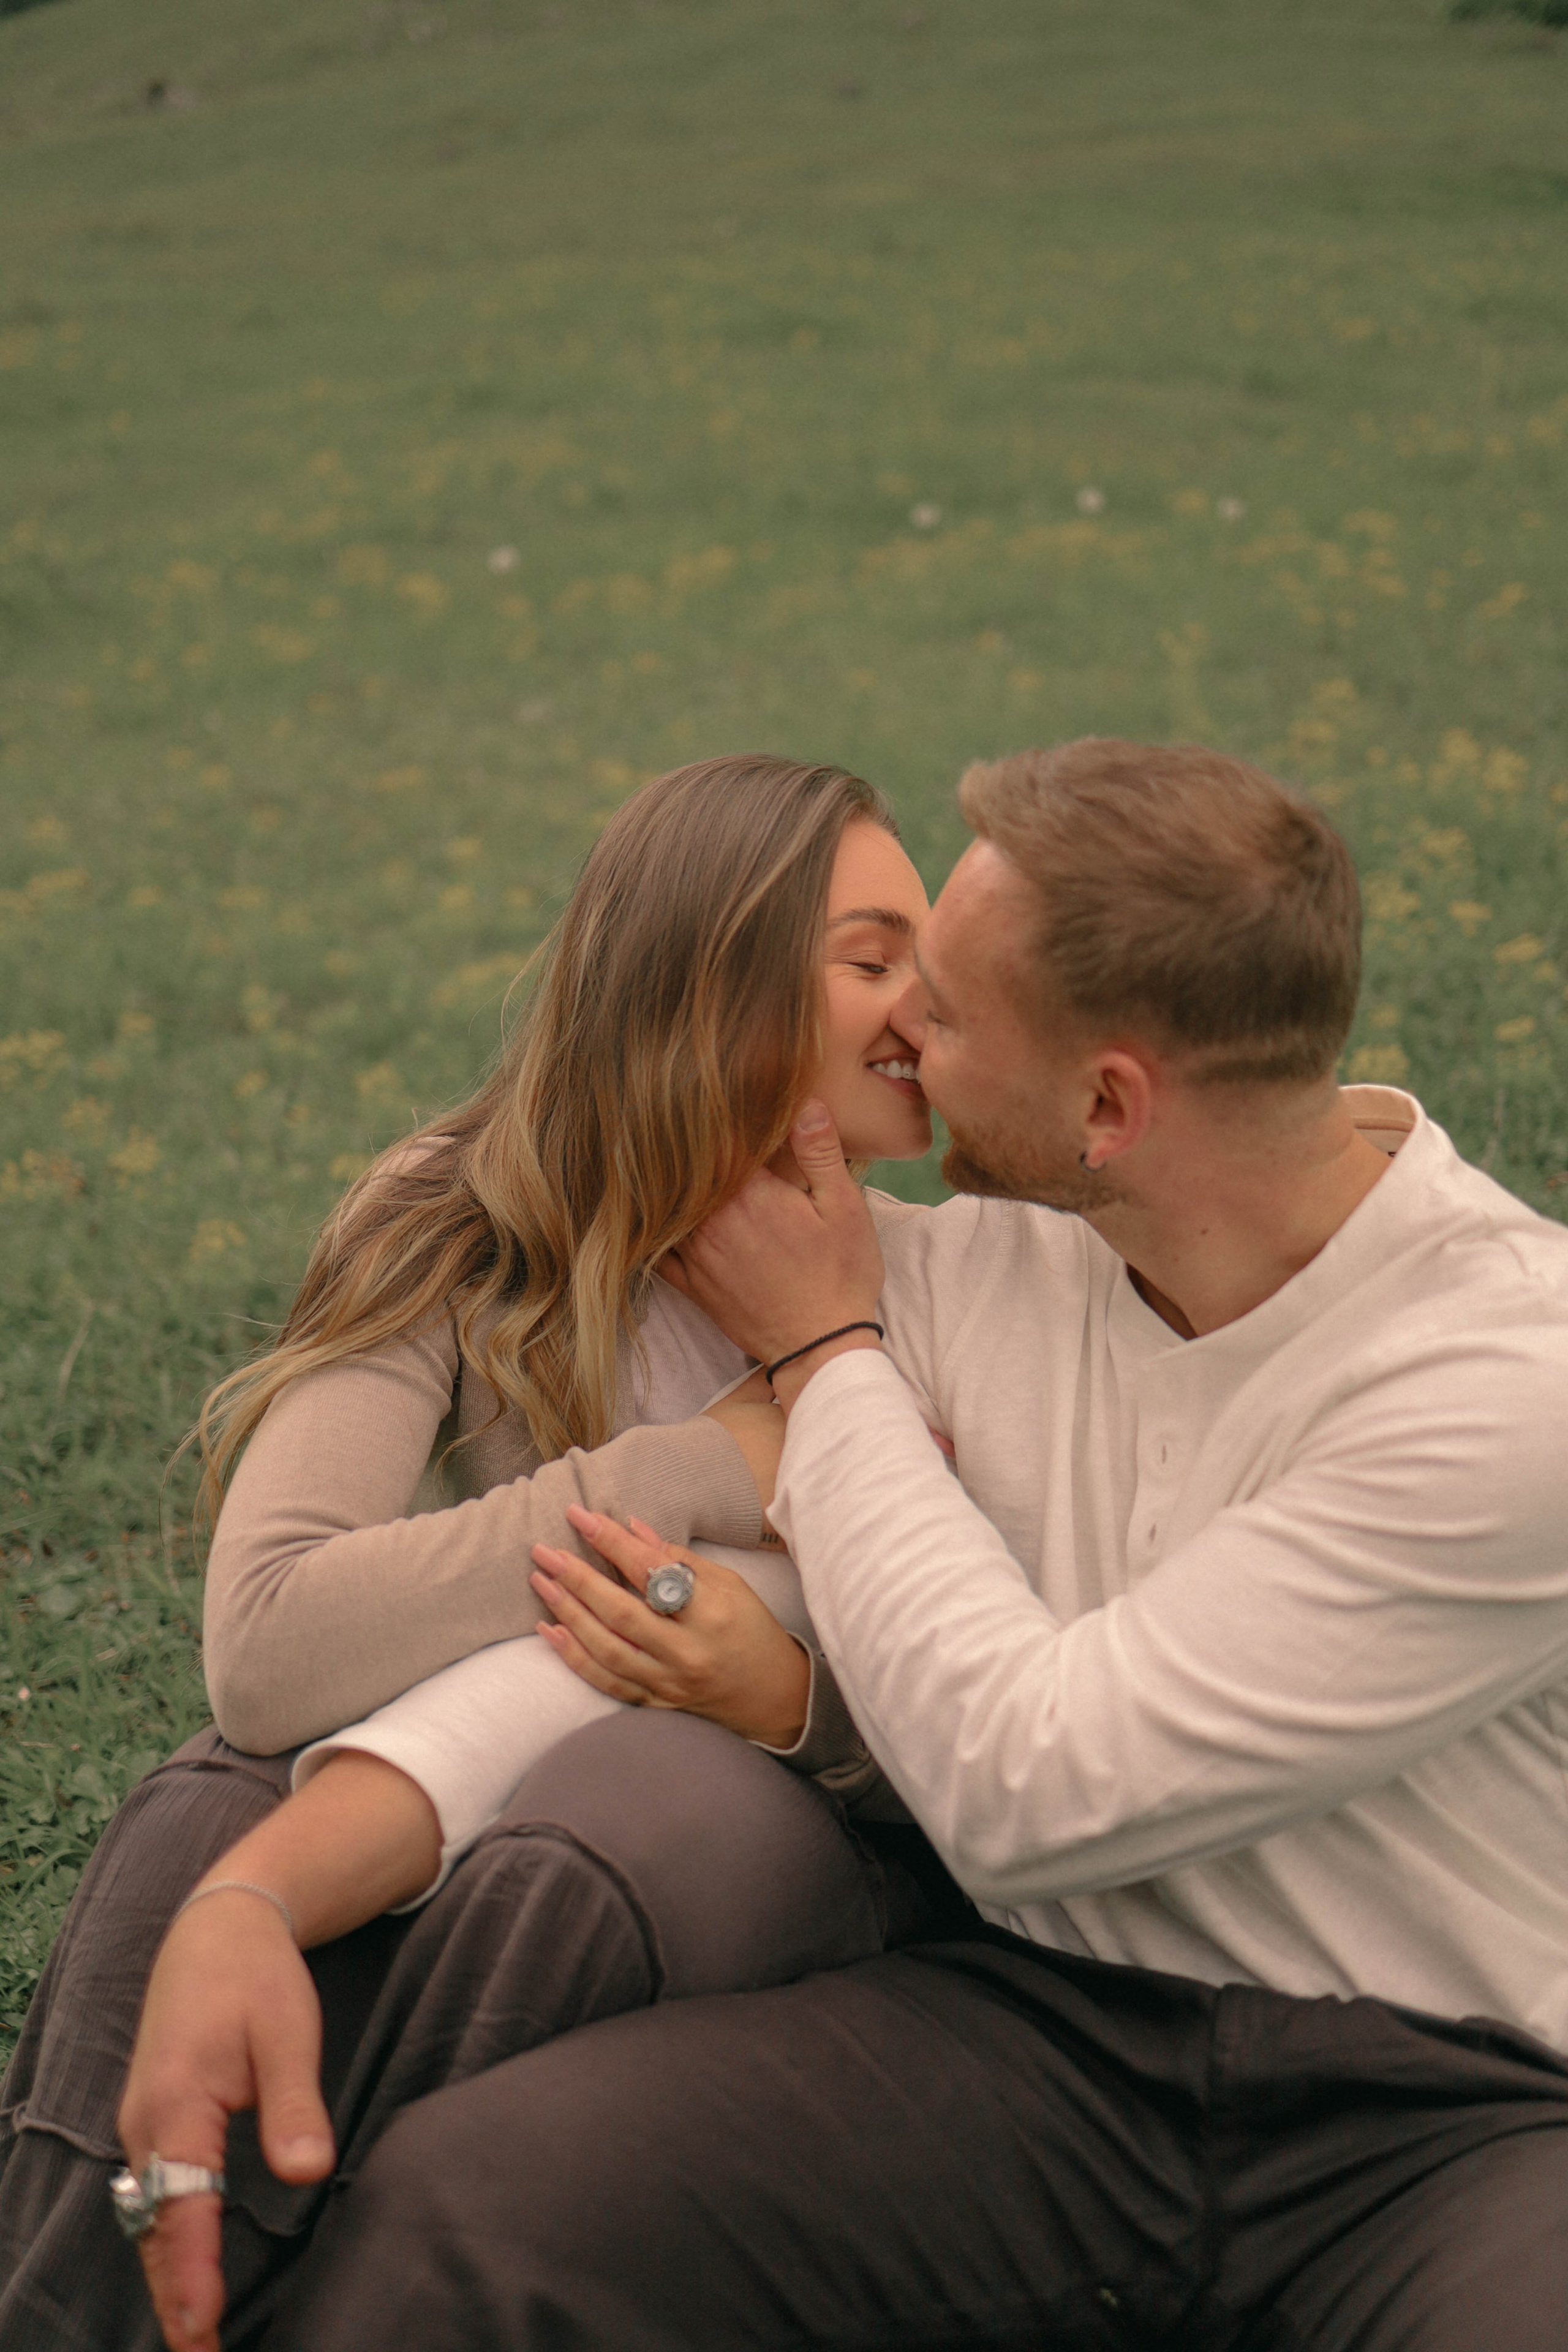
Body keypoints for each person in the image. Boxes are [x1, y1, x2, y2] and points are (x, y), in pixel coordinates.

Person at [253, 738, 1568, 2351]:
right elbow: (639, 1604)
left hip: (1459, 2106)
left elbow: (1036, 1784)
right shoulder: (956, 1269)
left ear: (1107, 1105)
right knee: (474, 2211)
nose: (904, 1037)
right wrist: (257, 1890)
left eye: (942, 1010)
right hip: (1048, 2037)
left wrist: (828, 1357)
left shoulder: (1511, 1378)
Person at [0, 753, 952, 2352]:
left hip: (793, 1841)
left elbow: (1006, 1723)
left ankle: (347, 2296)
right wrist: (698, 1468)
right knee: (207, 1809)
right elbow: (269, 1646)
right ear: (711, 987)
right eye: (876, 961)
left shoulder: (936, 1286)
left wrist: (781, 1692)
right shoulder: (465, 1210)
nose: (933, 1003)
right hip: (471, 1770)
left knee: (599, 1828)